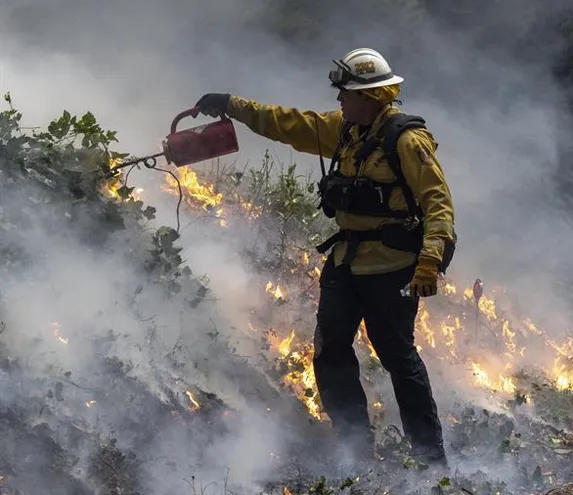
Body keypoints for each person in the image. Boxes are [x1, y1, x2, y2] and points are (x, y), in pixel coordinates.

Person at [193, 48, 456, 467]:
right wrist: (230, 104)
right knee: (330, 350)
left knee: (397, 357)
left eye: (346, 94)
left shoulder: (406, 140)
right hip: (346, 262)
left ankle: (429, 461)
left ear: (369, 97)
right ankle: (354, 452)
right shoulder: (346, 131)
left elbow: (438, 202)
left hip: (390, 268)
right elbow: (285, 122)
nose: (338, 101)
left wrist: (429, 260)